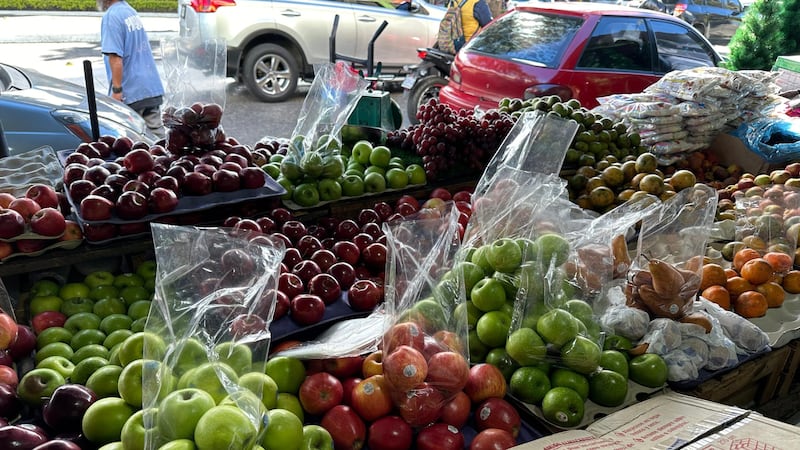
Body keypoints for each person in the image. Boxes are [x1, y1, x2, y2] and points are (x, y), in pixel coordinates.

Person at [97, 0, 166, 139]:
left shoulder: (111, 16)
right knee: (157, 140)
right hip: (150, 88)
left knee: (131, 142)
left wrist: (117, 91)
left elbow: (115, 57)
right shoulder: (129, 11)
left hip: (131, 92)